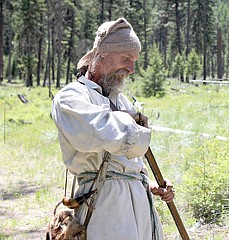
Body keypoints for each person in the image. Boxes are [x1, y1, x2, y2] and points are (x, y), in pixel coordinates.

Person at [51, 17, 174, 240]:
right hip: (103, 206)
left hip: (138, 205)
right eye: (126, 58)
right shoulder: (70, 97)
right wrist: (133, 119)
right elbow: (112, 134)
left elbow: (130, 155)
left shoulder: (121, 100)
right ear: (101, 54)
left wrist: (147, 183)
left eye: (134, 60)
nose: (131, 68)